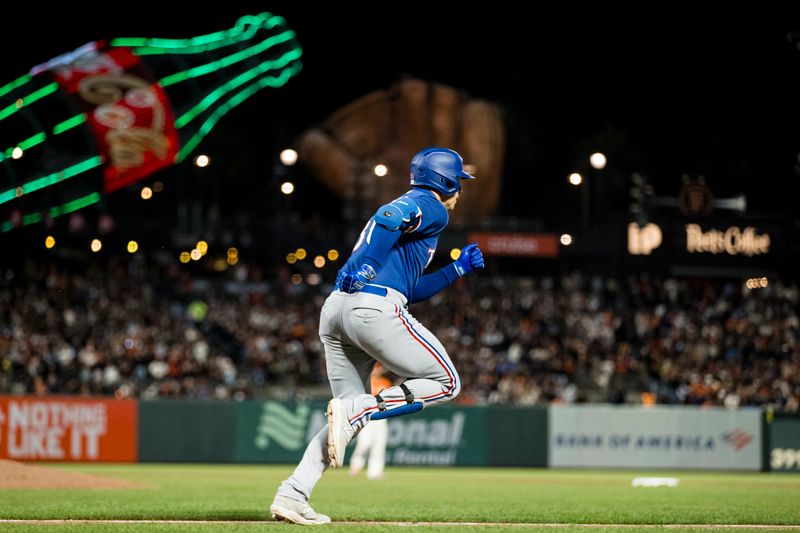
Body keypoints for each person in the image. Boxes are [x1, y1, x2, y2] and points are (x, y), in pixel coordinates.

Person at [270, 147, 485, 525]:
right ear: (445, 180)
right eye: (458, 182)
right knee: (447, 382)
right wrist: (367, 266)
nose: (460, 191)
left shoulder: (418, 207)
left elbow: (412, 288)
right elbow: (388, 217)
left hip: (338, 309)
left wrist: (457, 268)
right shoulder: (429, 204)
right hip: (372, 307)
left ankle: (292, 494)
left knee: (347, 420)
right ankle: (360, 408)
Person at [348, 363, 393, 480]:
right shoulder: (365, 381)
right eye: (375, 368)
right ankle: (356, 465)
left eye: (378, 368)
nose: (376, 370)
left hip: (382, 416)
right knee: (365, 443)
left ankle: (375, 472)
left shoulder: (385, 382)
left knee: (379, 444)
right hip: (368, 416)